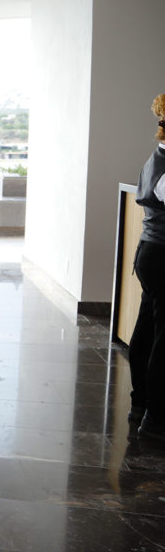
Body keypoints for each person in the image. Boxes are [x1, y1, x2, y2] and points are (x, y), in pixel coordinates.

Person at [128, 92, 165, 441]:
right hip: (162, 254)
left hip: (152, 253)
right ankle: (156, 417)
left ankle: (140, 402)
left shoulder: (158, 157)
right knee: (161, 337)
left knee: (148, 330)